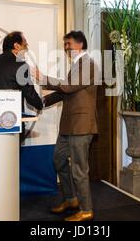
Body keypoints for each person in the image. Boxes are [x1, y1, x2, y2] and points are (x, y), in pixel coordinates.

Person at [34, 31, 98, 222]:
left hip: (81, 126)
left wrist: (43, 78)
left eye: (68, 44)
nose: (66, 48)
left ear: (79, 44)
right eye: (65, 44)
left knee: (79, 170)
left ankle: (86, 210)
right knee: (59, 160)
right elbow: (66, 93)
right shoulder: (78, 65)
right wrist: (41, 101)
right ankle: (71, 200)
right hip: (69, 125)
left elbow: (68, 87)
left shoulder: (89, 65)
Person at [0, 31, 43, 143]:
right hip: (11, 124)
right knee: (10, 159)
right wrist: (40, 104)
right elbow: (30, 94)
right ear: (16, 46)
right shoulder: (20, 65)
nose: (26, 49)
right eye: (25, 45)